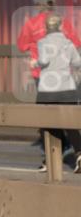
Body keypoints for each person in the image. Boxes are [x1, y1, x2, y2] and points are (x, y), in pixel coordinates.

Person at [33, 14, 81, 174]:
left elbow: (44, 60)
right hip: (67, 88)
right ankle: (79, 154)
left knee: (46, 125)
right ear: (60, 27)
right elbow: (77, 63)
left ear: (46, 28)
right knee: (71, 126)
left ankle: (51, 158)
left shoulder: (42, 42)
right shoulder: (68, 43)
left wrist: (35, 62)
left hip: (48, 90)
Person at [18, 0, 79, 84]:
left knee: (44, 95)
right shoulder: (64, 22)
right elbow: (76, 43)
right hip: (62, 69)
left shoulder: (30, 23)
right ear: (53, 6)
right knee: (63, 96)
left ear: (38, 6)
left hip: (40, 70)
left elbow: (22, 46)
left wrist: (32, 47)